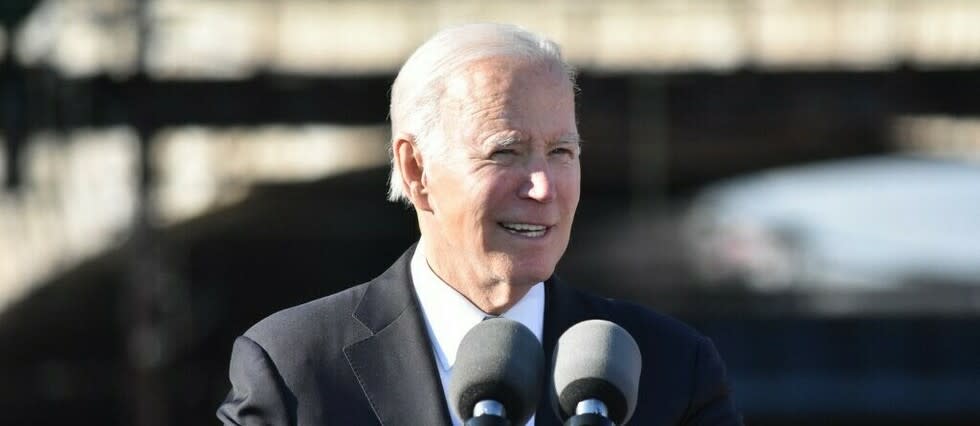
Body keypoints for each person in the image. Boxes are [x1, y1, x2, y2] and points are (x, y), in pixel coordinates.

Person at [217, 23, 742, 426]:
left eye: (562, 151)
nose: (542, 187)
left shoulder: (675, 369)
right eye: (505, 152)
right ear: (416, 169)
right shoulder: (294, 370)